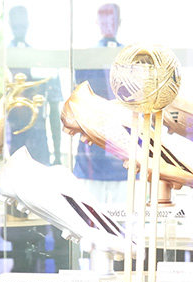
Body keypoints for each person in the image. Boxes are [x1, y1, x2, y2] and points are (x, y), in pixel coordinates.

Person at [72, 3, 128, 204]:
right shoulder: (86, 58)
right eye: (104, 19)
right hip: (92, 149)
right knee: (90, 213)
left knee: (125, 213)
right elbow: (77, 103)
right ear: (97, 22)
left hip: (125, 145)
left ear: (119, 22)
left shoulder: (131, 58)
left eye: (112, 19)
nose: (108, 24)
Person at [7, 5, 63, 165]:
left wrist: (57, 155)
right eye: (16, 25)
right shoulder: (5, 62)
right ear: (10, 25)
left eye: (22, 25)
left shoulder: (41, 61)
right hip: (13, 138)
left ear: (28, 24)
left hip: (38, 141)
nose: (19, 29)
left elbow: (54, 112)